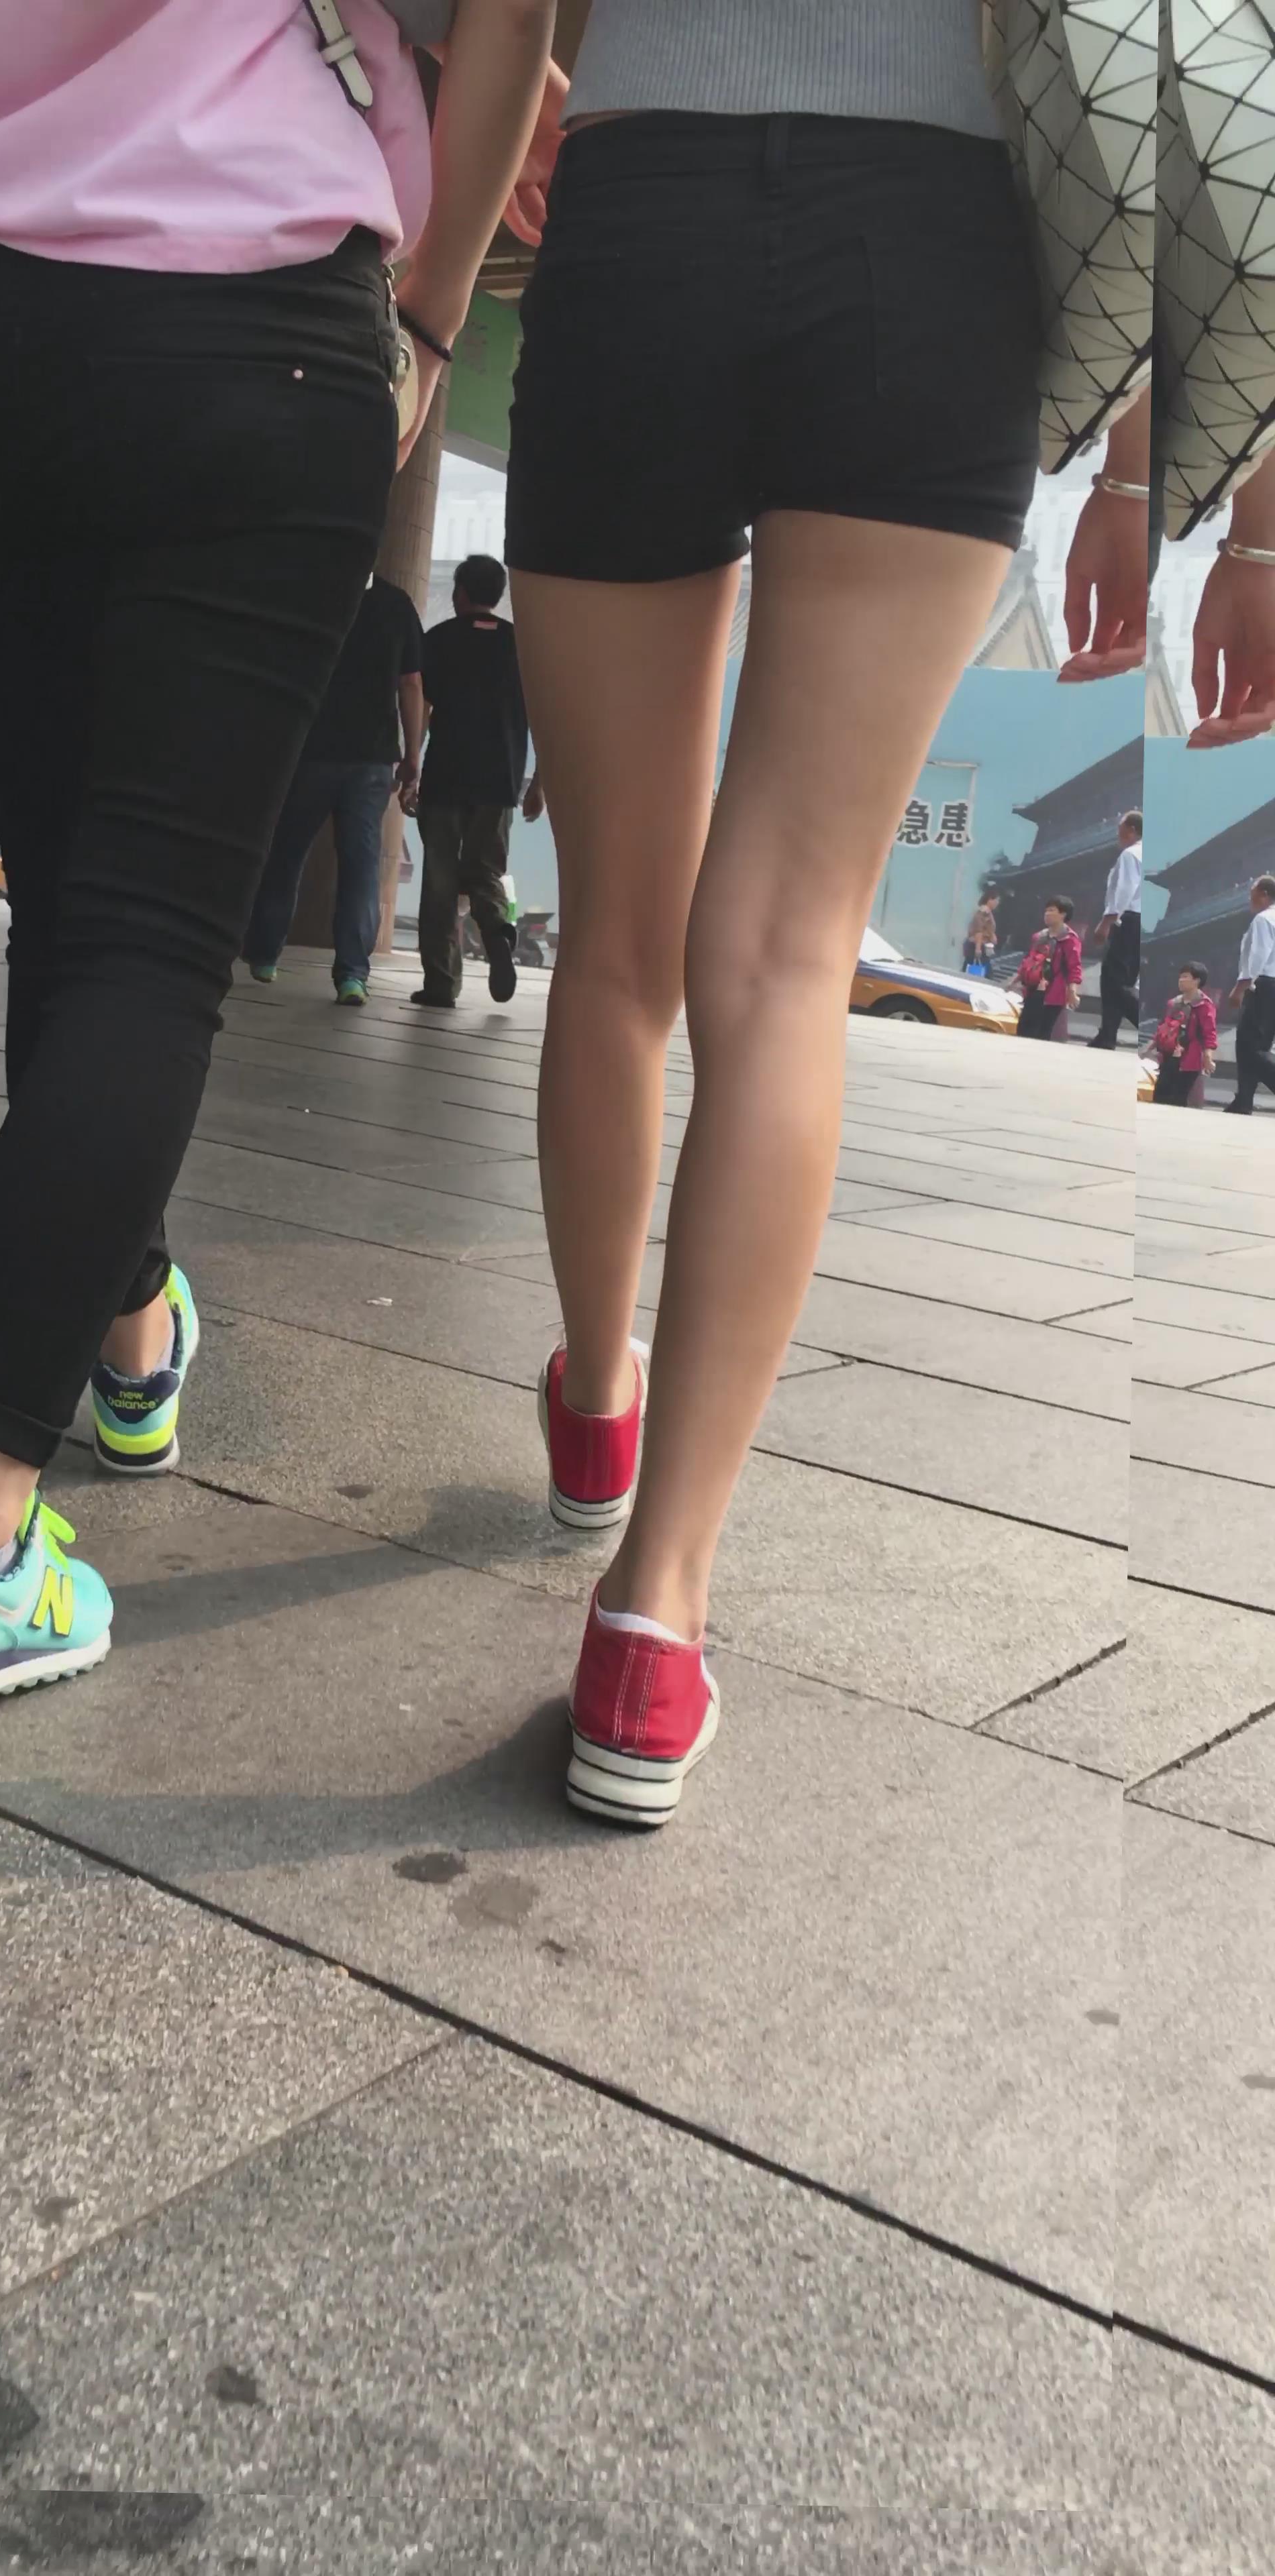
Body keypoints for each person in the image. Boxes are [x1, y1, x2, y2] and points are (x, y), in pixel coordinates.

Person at [0, 0, 554, 1712]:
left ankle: (133, 1321)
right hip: (268, 318)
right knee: (145, 942)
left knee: (77, 906)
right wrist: (432, 312)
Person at [504, 4, 1046, 1823]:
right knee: (789, 955)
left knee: (615, 941)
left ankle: (596, 1401)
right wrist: (1208, 488)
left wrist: (431, 288)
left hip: (641, 197)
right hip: (936, 229)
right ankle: (651, 1618)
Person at [243, 571, 425, 1002]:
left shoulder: (309, 589)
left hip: (309, 752)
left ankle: (265, 954)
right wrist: (413, 755)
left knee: (287, 854)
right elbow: (412, 683)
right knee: (361, 868)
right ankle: (352, 975)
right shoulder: (396, 605)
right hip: (370, 759)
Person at [413, 553, 528, 1009]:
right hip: (499, 779)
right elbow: (545, 714)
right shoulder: (522, 645)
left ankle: (441, 984)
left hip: (446, 775)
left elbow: (420, 705)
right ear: (497, 595)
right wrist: (539, 783)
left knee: (440, 880)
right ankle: (496, 930)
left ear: (460, 591)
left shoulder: (438, 640)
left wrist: (410, 764)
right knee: (485, 871)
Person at [1086, 807, 1142, 1049]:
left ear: (1131, 830)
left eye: (1120, 829)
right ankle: (1107, 1034)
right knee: (1124, 980)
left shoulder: (1131, 854)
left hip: (1127, 921)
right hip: (1139, 925)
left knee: (1114, 982)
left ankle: (1152, 1029)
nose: (1118, 834)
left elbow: (1125, 891)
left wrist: (1107, 922)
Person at [1226, 875, 1275, 1115]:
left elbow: (1259, 956)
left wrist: (1241, 987)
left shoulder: (1265, 919)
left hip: (1264, 985)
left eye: (1252, 893)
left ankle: (1244, 1099)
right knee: (1260, 1046)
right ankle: (1244, 1100)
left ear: (1264, 894)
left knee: (1249, 1047)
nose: (1250, 898)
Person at [1151, 962, 1217, 1108]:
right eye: (1180, 977)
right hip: (1168, 1057)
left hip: (1189, 1060)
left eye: (1186, 977)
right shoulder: (1173, 1003)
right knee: (1160, 1094)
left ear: (1197, 981)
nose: (1181, 980)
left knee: (1178, 1098)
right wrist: (1150, 1048)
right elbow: (1163, 1028)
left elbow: (1209, 1033)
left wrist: (1208, 1057)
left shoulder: (1204, 1005)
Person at [1016, 900, 1083, 1040]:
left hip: (1053, 994)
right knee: (1024, 1029)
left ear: (1063, 914)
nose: (1047, 914)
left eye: (1052, 910)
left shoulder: (1069, 940)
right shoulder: (1039, 937)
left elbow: (1074, 967)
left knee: (1042, 1032)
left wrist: (1072, 992)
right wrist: (1016, 980)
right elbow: (1029, 960)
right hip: (1033, 989)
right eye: (1046, 910)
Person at [962, 885, 1000, 975]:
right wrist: (978, 948)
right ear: (990, 900)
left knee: (969, 969)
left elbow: (988, 929)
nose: (997, 903)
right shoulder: (983, 913)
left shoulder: (988, 913)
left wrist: (992, 936)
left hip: (982, 947)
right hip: (978, 946)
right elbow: (979, 931)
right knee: (985, 973)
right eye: (996, 900)